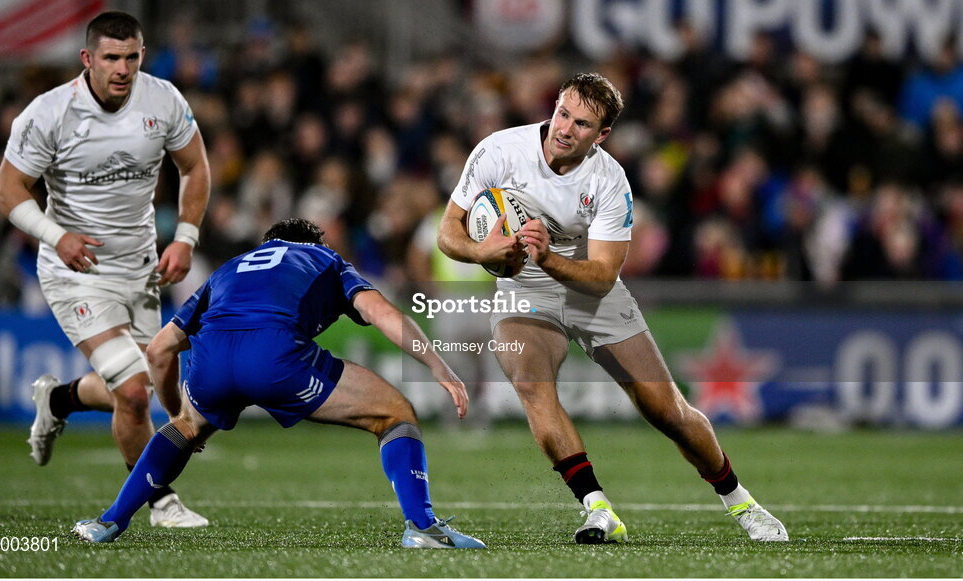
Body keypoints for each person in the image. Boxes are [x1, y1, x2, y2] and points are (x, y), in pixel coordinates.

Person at [437, 72, 788, 543]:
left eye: (581, 124)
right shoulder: (499, 150)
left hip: (591, 290)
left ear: (601, 135)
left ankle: (741, 502)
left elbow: (603, 274)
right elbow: (448, 233)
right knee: (530, 380)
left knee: (668, 412)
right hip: (525, 287)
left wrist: (549, 257)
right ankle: (597, 509)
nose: (564, 129)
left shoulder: (609, 180)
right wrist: (486, 254)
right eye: (562, 113)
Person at [71, 218, 486, 549]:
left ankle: (108, 521)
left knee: (184, 427)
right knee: (395, 414)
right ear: (314, 243)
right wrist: (434, 363)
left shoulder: (229, 269)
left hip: (212, 359)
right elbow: (382, 313)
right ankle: (422, 527)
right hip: (274, 358)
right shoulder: (327, 260)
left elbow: (160, 351)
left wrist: (180, 415)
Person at [0, 11, 211, 528]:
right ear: (87, 59)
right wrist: (56, 235)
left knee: (141, 379)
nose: (122, 68)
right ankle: (160, 501)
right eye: (111, 57)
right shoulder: (48, 114)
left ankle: (59, 398)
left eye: (131, 57)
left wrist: (185, 237)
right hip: (76, 271)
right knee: (135, 391)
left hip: (140, 268)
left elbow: (195, 166)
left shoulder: (163, 100)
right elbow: (7, 191)